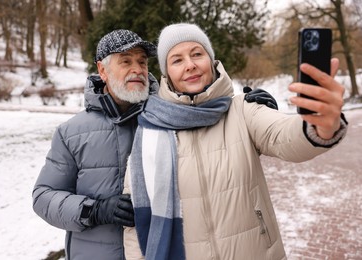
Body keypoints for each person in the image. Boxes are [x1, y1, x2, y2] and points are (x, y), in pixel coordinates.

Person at [32, 28, 278, 260]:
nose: (137, 69)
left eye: (142, 61)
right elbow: (43, 197)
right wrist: (93, 210)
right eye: (126, 61)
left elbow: (210, 116)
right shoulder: (71, 133)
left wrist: (242, 107)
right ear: (102, 70)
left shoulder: (175, 115)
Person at [123, 23, 348, 260]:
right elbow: (136, 222)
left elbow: (284, 135)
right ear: (167, 74)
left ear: (211, 60)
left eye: (197, 54)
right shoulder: (150, 132)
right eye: (177, 60)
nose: (190, 65)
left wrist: (320, 125)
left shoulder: (242, 110)